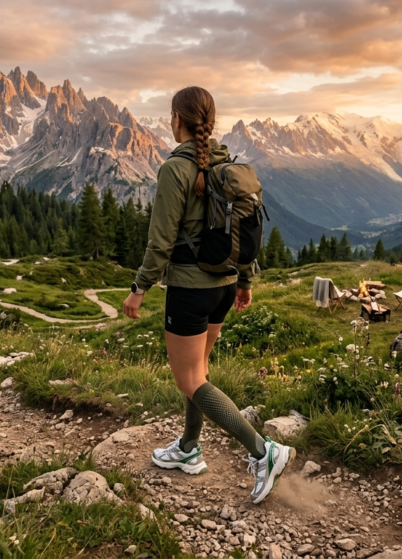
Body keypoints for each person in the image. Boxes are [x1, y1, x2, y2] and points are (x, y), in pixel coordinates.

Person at [122, 86, 294, 504]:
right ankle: (187, 448)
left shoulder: (174, 169)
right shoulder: (226, 163)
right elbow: (244, 229)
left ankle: (264, 451)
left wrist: (139, 288)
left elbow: (160, 240)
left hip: (189, 290)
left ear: (176, 120)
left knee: (190, 379)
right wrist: (246, 281)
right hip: (223, 287)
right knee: (199, 372)